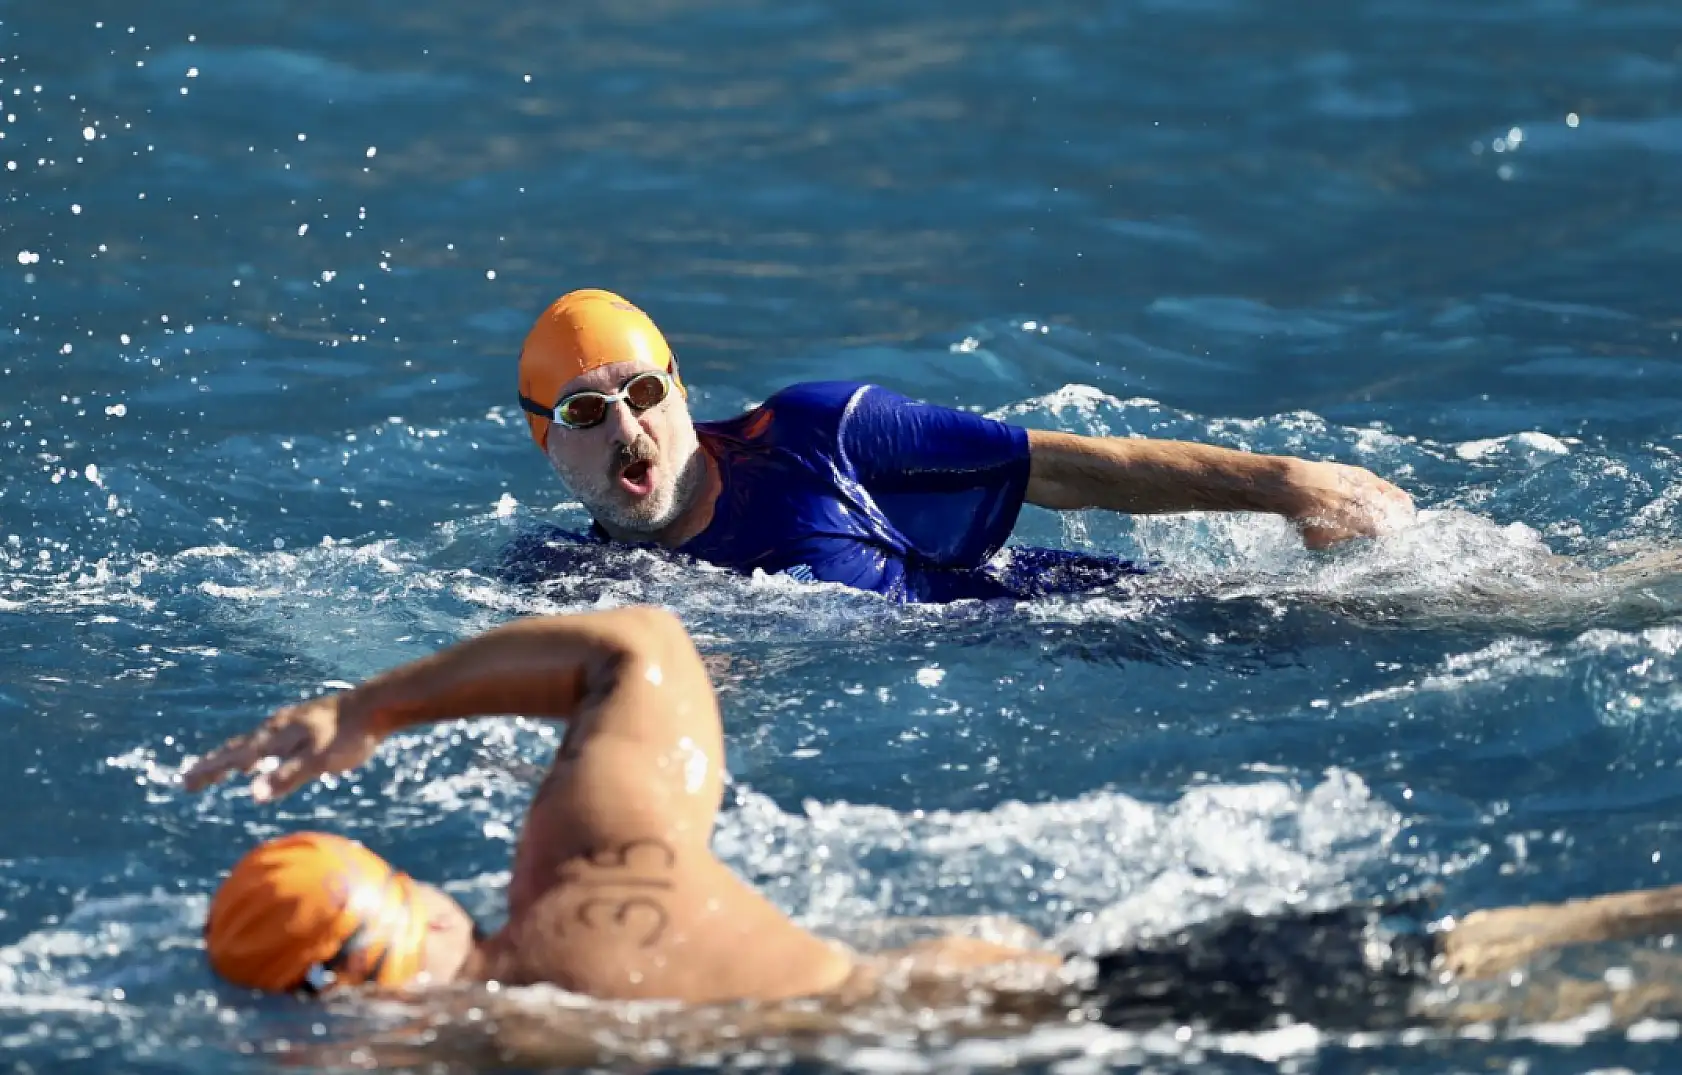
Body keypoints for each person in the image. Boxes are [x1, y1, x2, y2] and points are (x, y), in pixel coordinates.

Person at [186, 606, 1682, 1054]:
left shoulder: (518, 1032)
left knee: (1556, 983)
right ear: (404, 894)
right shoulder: (579, 866)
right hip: (1102, 985)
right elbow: (632, 647)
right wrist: (369, 705)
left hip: (1115, 1022)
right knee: (1528, 957)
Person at [506, 289, 1416, 602]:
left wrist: (1295, 484)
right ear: (549, 444)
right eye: (586, 414)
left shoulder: (816, 434)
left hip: (1099, 617)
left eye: (643, 393)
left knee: (1459, 605)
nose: (627, 426)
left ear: (681, 390)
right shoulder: (567, 585)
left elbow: (1064, 467)